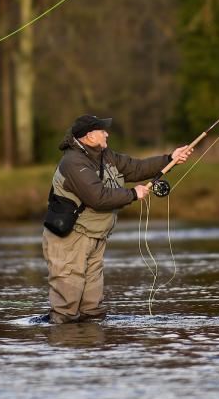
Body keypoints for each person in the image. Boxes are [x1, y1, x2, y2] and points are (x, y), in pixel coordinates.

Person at [41, 114, 192, 323]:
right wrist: (132, 194)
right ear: (89, 137)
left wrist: (170, 159)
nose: (107, 133)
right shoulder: (73, 162)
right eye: (102, 130)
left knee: (92, 310)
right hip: (70, 239)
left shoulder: (105, 155)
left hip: (95, 236)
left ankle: (92, 348)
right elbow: (98, 197)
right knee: (65, 310)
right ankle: (67, 350)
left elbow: (136, 168)